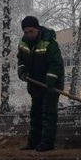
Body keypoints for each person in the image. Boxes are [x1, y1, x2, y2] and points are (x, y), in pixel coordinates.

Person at [17, 16, 64, 152]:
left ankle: (47, 143)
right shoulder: (24, 43)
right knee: (35, 112)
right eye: (25, 32)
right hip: (35, 83)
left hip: (52, 84)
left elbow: (56, 64)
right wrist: (22, 71)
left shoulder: (49, 42)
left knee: (48, 112)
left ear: (37, 29)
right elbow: (21, 60)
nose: (28, 34)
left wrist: (50, 80)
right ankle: (33, 142)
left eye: (31, 31)